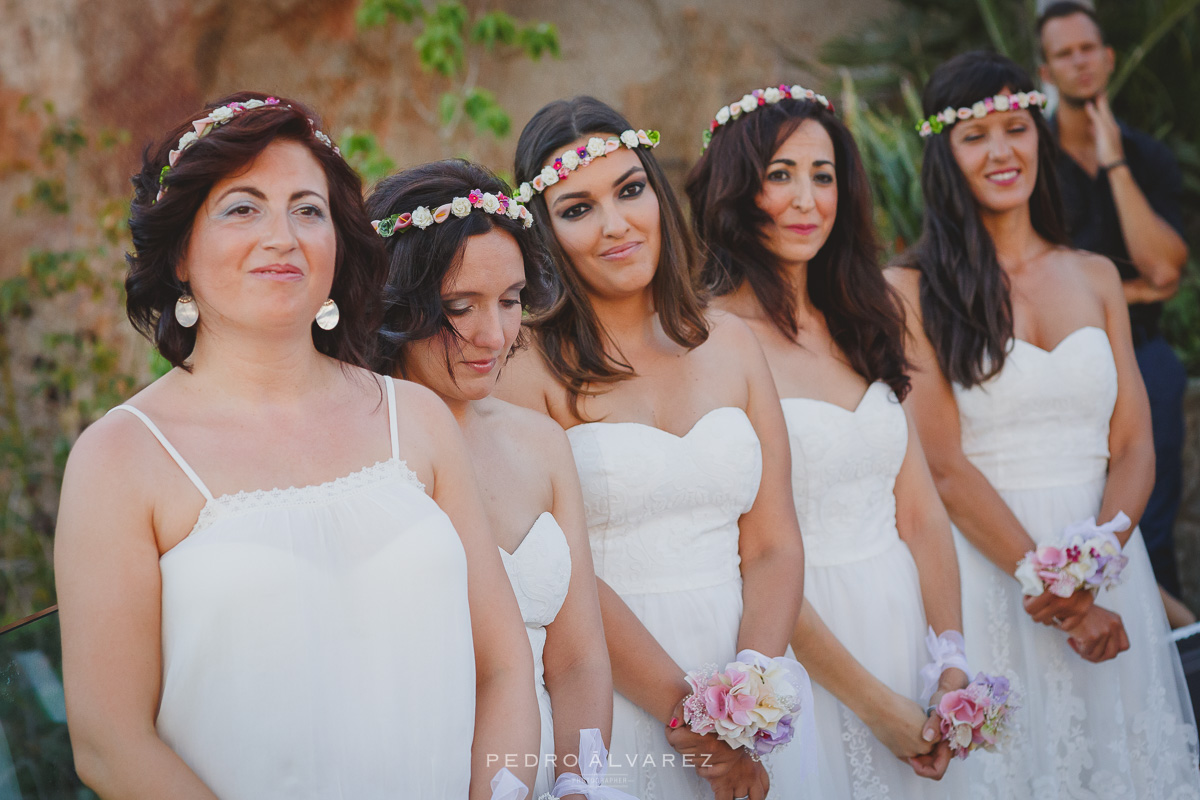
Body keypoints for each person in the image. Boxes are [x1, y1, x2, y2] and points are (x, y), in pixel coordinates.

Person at [54, 92, 539, 799]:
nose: (281, 236)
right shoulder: (120, 459)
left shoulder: (417, 419)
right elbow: (110, 743)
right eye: (242, 207)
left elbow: (504, 667)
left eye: (307, 209)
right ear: (181, 254)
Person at [892, 53, 1200, 797]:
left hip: (1106, 567)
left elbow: (1132, 446)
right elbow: (942, 466)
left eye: (1015, 128)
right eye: (974, 136)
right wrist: (1055, 590)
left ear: (1039, 135)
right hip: (993, 578)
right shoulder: (910, 289)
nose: (1001, 151)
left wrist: (1094, 568)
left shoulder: (1095, 275)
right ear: (944, 155)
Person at [498, 96, 810, 799]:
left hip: (750, 676)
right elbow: (562, 576)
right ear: (544, 234)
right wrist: (693, 718)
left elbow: (773, 543)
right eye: (578, 209)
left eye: (630, 191)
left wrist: (749, 694)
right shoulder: (526, 371)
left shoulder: (731, 343)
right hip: (616, 688)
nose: (617, 226)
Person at [686, 83, 968, 798]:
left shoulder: (862, 313)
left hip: (903, 624)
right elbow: (753, 557)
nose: (808, 199)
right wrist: (876, 705)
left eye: (823, 175)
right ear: (735, 190)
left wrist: (949, 659)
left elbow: (921, 512)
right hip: (802, 646)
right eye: (779, 176)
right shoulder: (712, 343)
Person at [366, 159, 618, 799]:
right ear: (398, 302)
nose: (494, 334)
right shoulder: (355, 453)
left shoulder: (538, 442)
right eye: (459, 307)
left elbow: (580, 659)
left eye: (510, 302)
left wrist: (576, 783)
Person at [1038, 0, 1191, 611]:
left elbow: (1163, 267)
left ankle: (1177, 653)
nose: (1079, 63)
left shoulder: (1146, 156)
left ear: (1108, 58)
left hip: (1143, 358)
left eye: (1087, 50)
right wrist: (1120, 295)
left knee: (1151, 526)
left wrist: (1115, 163)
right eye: (1064, 54)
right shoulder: (1030, 162)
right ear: (1045, 71)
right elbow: (1025, 284)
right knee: (1078, 518)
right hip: (1059, 366)